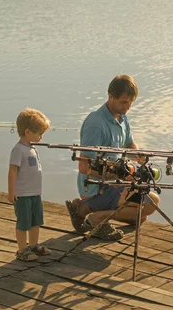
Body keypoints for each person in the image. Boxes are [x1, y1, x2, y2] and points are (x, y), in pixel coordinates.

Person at [65, 75, 160, 241]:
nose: (128, 106)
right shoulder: (96, 124)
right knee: (150, 203)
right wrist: (117, 175)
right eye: (124, 102)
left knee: (140, 217)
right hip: (97, 188)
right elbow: (84, 168)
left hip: (115, 183)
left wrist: (137, 155)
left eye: (131, 102)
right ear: (110, 96)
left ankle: (84, 210)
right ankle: (95, 215)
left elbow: (128, 144)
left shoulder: (123, 118)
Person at [8, 108, 52, 261]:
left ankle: (33, 245)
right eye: (39, 133)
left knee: (35, 221)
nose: (41, 137)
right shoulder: (18, 150)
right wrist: (11, 191)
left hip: (35, 193)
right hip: (23, 194)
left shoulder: (31, 148)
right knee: (23, 223)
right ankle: (22, 250)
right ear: (27, 132)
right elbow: (12, 171)